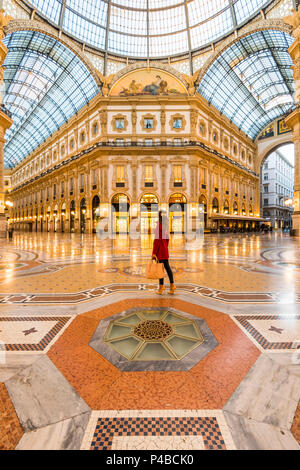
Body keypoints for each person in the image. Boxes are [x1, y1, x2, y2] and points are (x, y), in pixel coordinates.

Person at [152, 210, 176, 295]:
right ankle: (172, 285)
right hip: (164, 249)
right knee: (167, 268)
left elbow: (157, 240)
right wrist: (165, 246)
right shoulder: (166, 226)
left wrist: (154, 253)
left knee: (160, 269)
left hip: (160, 251)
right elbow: (167, 239)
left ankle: (161, 287)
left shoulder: (159, 226)